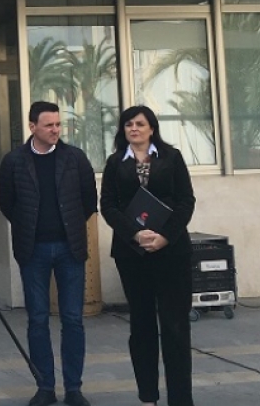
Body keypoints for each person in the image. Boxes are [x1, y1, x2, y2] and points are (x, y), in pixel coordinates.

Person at [0, 101, 95, 406]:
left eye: (58, 124)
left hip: (70, 248)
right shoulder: (14, 161)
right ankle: (45, 387)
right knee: (37, 319)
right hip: (33, 250)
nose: (55, 130)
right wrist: (28, 226)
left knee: (73, 319)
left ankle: (74, 388)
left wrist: (69, 226)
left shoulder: (75, 158)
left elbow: (89, 201)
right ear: (32, 127)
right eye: (49, 125)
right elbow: (7, 203)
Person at [99, 105, 197, 406]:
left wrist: (165, 236)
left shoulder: (172, 158)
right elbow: (108, 206)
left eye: (140, 124)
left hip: (172, 253)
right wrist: (135, 234)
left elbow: (186, 201)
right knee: (141, 327)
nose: (134, 129)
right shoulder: (115, 162)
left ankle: (180, 399)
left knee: (175, 327)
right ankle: (148, 397)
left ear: (152, 128)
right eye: (129, 124)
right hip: (133, 255)